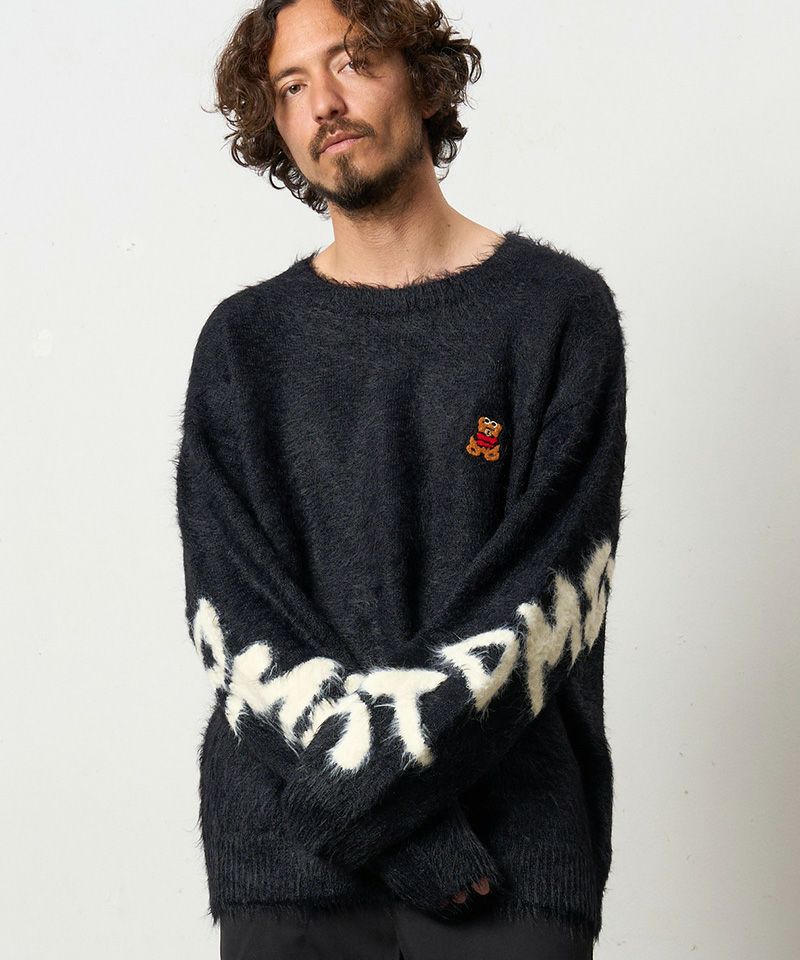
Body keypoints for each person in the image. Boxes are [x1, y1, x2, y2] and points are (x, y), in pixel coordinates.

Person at [173, 1, 628, 958]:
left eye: (352, 62)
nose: (323, 103)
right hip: (291, 871)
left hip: (510, 865)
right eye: (291, 86)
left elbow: (549, 592)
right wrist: (408, 833)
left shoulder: (557, 314)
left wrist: (366, 799)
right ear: (275, 125)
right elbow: (232, 616)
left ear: (422, 80)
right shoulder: (242, 346)